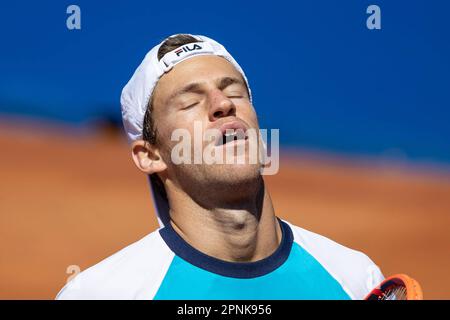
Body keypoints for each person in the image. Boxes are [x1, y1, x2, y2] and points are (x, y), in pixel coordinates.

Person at [56, 34, 383, 300]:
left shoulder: (356, 279)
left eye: (234, 93)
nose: (223, 105)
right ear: (150, 155)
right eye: (190, 102)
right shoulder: (101, 294)